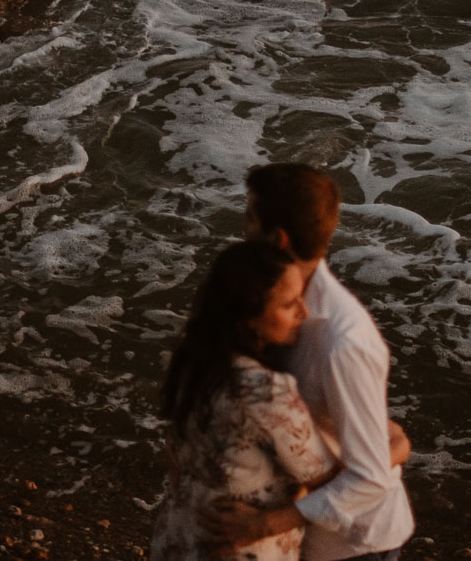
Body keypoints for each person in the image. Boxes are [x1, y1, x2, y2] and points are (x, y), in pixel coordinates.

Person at [208, 163, 415, 561]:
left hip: (352, 544)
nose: (243, 230)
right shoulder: (259, 308)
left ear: (278, 239)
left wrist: (260, 525)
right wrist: (392, 440)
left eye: (250, 218)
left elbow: (369, 477)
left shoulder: (343, 343)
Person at [150, 237, 339, 561]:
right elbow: (333, 483)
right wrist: (392, 446)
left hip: (178, 538)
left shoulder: (193, 363)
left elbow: (176, 462)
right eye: (288, 303)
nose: (304, 312)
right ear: (251, 314)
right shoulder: (265, 389)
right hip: (237, 550)